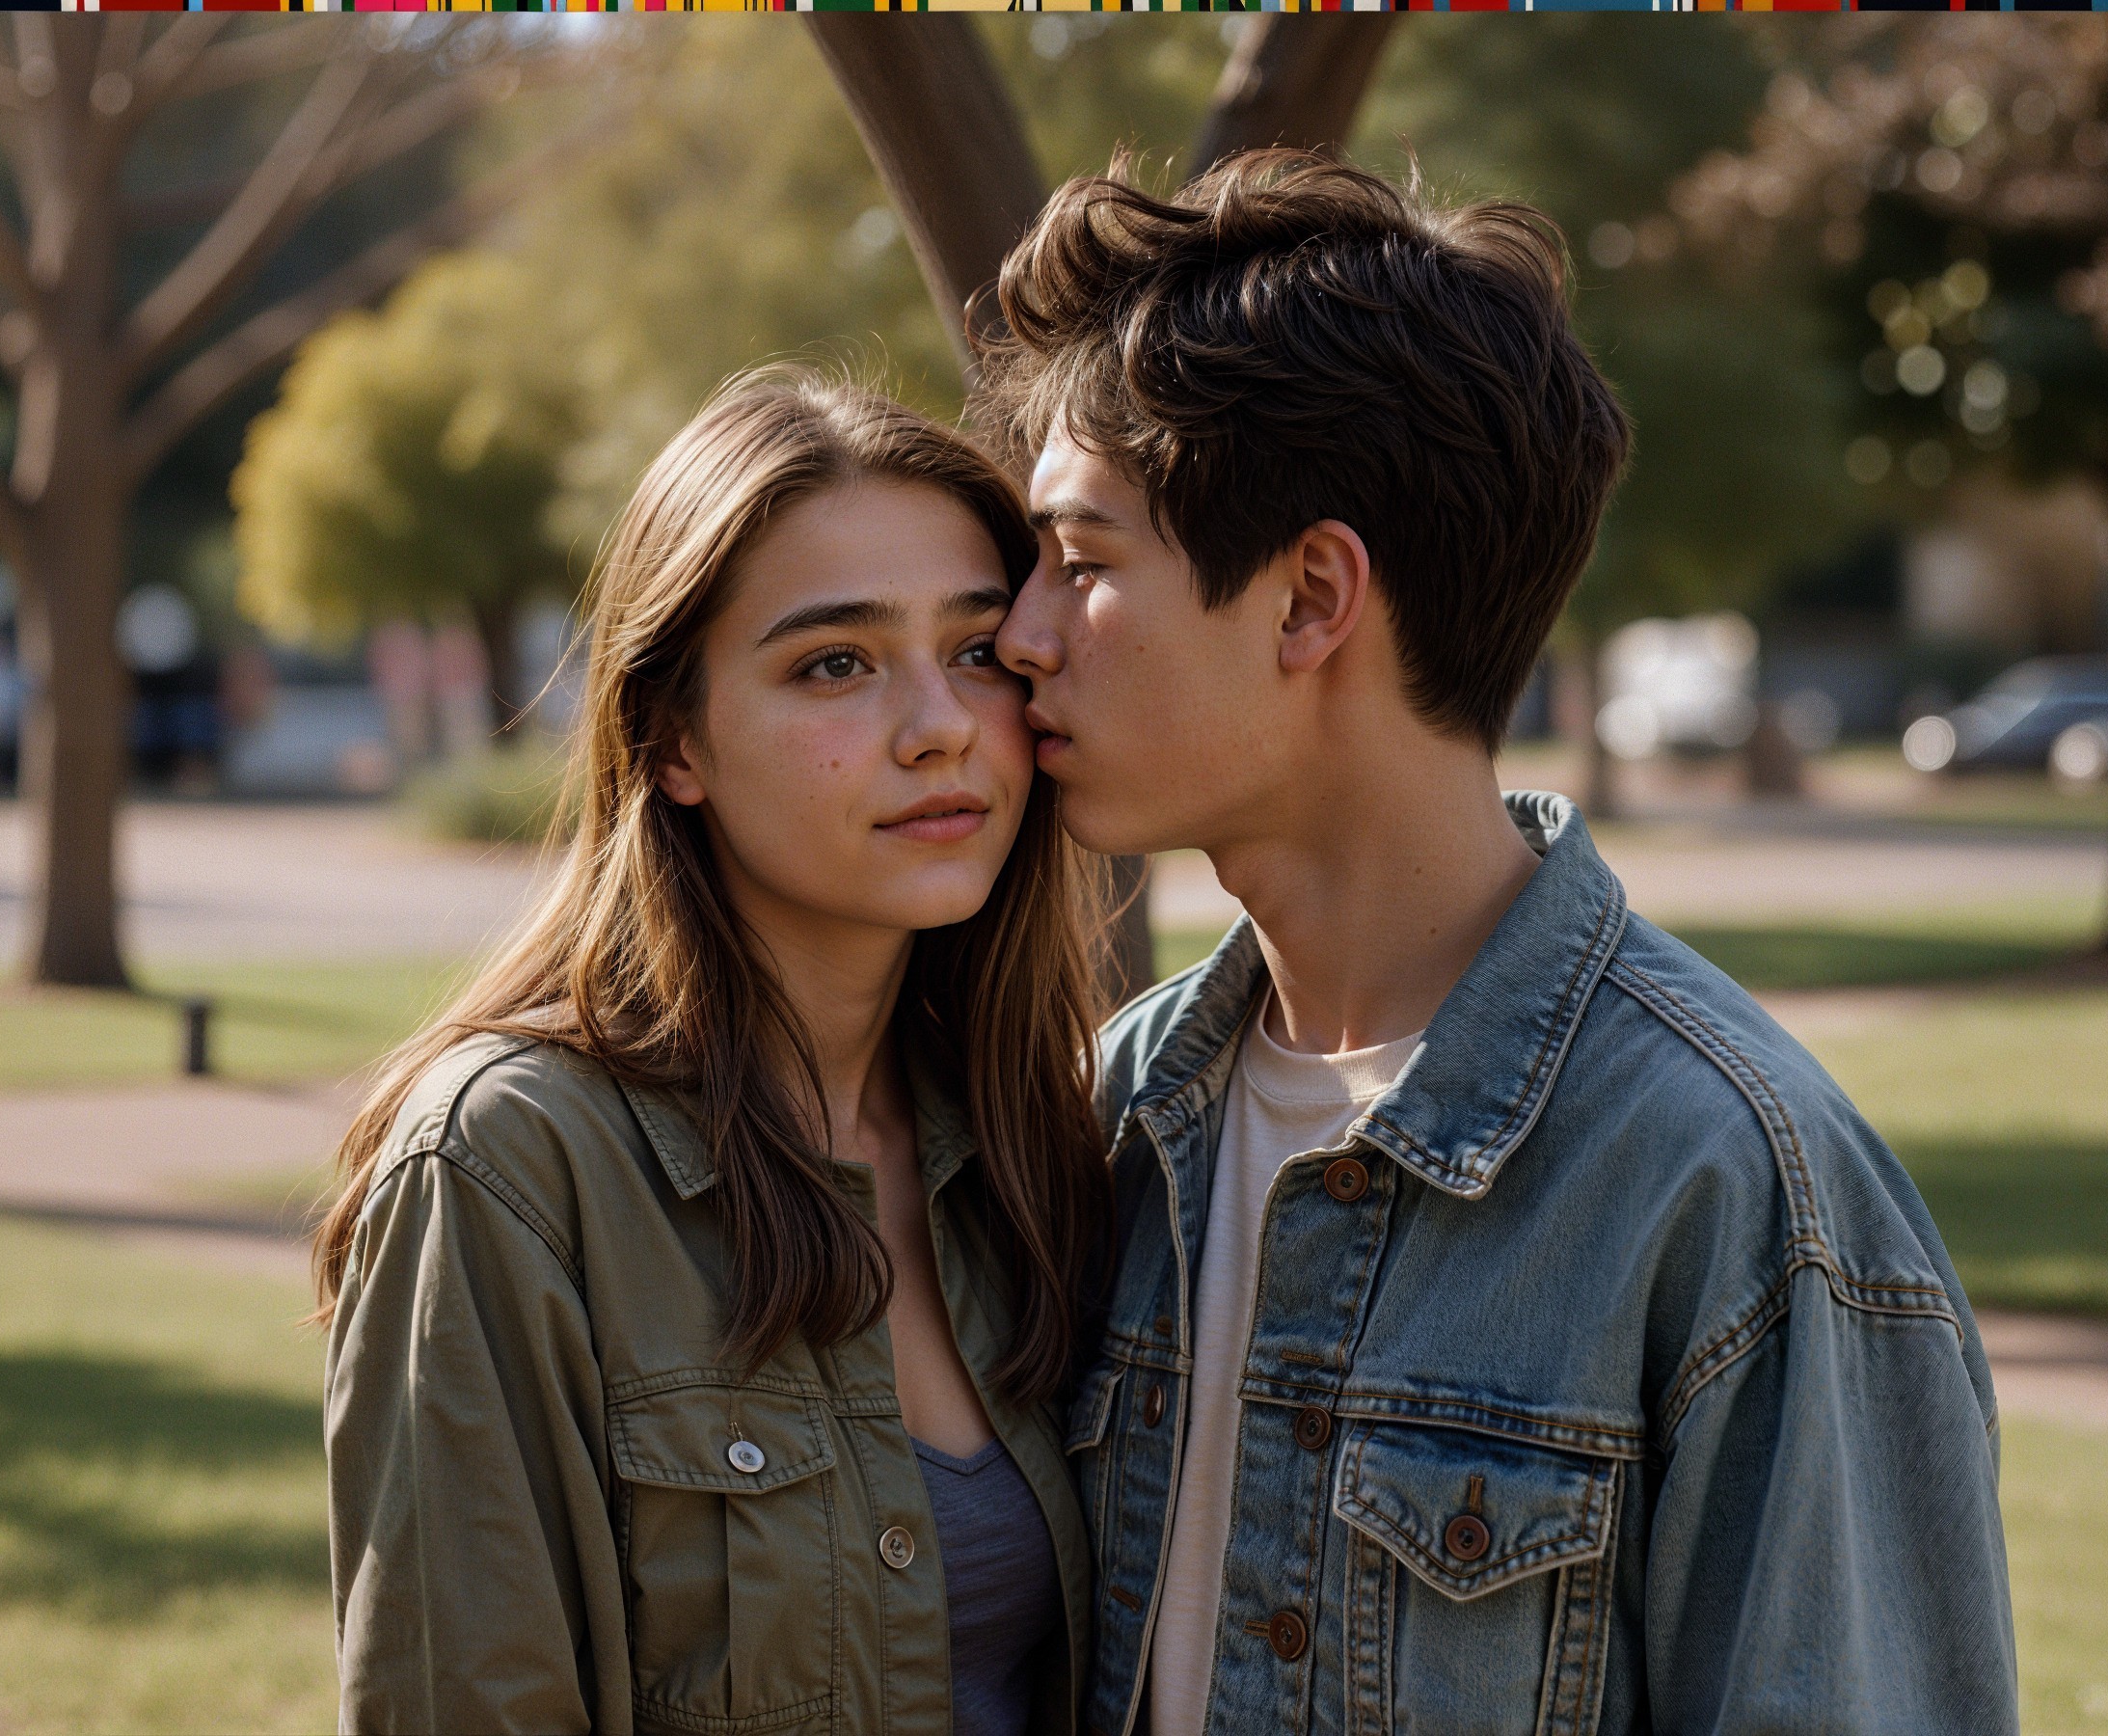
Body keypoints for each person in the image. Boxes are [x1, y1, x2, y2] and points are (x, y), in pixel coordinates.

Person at [982, 153, 2018, 1734]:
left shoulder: (1733, 1189)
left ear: (1311, 596)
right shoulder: (1114, 1112)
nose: (1020, 636)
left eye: (1084, 562)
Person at [317, 370, 1111, 1736]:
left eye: (976, 650)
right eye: (835, 664)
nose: (937, 726)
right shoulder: (511, 1167)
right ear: (674, 739)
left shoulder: (1041, 1147)